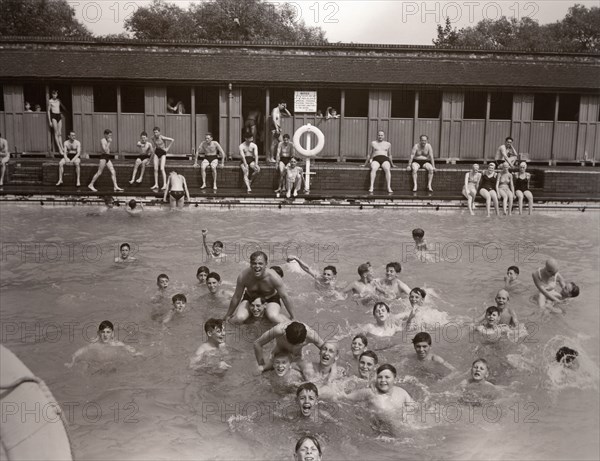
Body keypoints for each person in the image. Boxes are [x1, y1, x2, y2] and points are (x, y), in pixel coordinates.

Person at [225, 250, 296, 323]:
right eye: (254, 263)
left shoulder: (274, 277)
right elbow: (237, 296)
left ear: (266, 264)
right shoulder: (243, 276)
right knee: (240, 318)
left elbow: (284, 296)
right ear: (250, 264)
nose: (257, 266)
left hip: (270, 299)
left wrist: (293, 317)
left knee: (273, 316)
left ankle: (291, 323)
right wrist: (228, 315)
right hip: (250, 299)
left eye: (260, 263)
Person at [340, 364, 414, 417]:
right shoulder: (370, 392)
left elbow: (413, 407)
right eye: (380, 377)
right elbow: (344, 397)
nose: (383, 380)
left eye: (387, 377)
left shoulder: (402, 392)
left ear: (394, 378)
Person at [253, 321, 324, 372]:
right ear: (285, 334)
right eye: (290, 343)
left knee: (307, 374)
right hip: (278, 356)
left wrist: (325, 368)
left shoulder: (311, 335)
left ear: (305, 338)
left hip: (297, 358)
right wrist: (262, 365)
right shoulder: (279, 330)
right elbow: (257, 344)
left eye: (297, 344)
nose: (293, 346)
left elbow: (326, 349)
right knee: (260, 372)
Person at [65, 320, 141, 367]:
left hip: (110, 364)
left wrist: (137, 354)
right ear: (99, 333)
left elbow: (128, 348)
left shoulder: (116, 344)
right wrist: (71, 362)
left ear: (112, 334)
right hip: (97, 365)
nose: (105, 335)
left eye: (108, 332)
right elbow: (78, 352)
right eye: (103, 332)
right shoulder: (94, 344)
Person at [151, 127, 174, 191]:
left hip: (163, 152)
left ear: (159, 132)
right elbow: (155, 145)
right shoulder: (152, 138)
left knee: (161, 168)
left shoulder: (162, 137)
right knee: (155, 169)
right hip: (157, 152)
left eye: (156, 132)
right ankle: (156, 184)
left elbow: (172, 140)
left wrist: (167, 148)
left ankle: (164, 184)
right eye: (154, 132)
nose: (155, 134)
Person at [47, 89, 65, 155]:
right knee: (56, 132)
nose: (55, 95)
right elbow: (48, 111)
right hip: (53, 115)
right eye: (53, 94)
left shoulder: (58, 100)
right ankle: (59, 149)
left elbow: (63, 107)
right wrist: (49, 121)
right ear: (52, 94)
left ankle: (62, 147)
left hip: (59, 115)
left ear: (57, 94)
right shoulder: (50, 101)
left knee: (60, 133)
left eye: (56, 94)